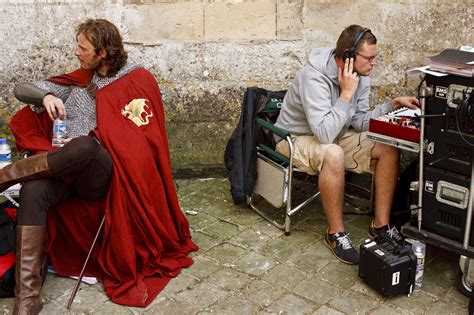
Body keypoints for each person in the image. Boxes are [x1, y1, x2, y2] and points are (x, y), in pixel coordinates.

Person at [2, 18, 198, 314]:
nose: (76, 53)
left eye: (83, 48)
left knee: (86, 147)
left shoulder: (138, 80)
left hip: (103, 174)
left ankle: (3, 177)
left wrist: (104, 137)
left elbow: (142, 141)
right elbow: (21, 89)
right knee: (34, 190)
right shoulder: (78, 81)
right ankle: (27, 298)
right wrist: (47, 95)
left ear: (103, 52)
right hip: (62, 167)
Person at [274, 25, 419, 265]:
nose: (374, 63)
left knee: (388, 147)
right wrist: (346, 94)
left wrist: (391, 106)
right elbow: (324, 134)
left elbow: (360, 121)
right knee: (333, 153)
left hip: (335, 133)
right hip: (295, 138)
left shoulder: (359, 78)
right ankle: (335, 233)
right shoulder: (314, 77)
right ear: (349, 58)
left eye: (375, 58)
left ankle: (381, 225)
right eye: (369, 58)